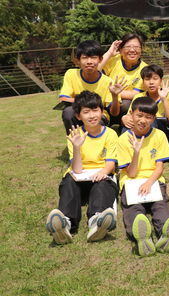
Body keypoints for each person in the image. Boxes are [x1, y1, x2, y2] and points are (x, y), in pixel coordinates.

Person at [46, 91, 118, 244]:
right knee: (69, 182)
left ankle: (96, 222)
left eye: (95, 110)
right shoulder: (75, 135)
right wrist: (77, 147)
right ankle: (65, 223)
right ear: (78, 116)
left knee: (103, 184)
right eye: (86, 112)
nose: (92, 115)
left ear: (102, 111)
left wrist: (103, 172)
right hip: (79, 177)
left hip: (100, 175)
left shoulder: (110, 134)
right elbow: (77, 169)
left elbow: (110, 163)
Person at [117, 96, 169, 257]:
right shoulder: (123, 139)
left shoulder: (159, 135)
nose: (143, 120)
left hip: (153, 181)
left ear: (153, 119)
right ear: (131, 114)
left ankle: (165, 233)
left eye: (148, 117)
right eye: (139, 115)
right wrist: (136, 152)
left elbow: (160, 167)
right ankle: (141, 237)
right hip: (130, 183)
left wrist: (149, 182)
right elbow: (130, 173)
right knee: (133, 209)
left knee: (160, 205)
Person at [59, 39, 126, 133]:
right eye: (85, 58)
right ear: (78, 60)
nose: (89, 61)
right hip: (79, 113)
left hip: (100, 116)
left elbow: (114, 113)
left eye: (93, 57)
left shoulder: (108, 82)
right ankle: (74, 142)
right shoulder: (71, 74)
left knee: (97, 119)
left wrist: (115, 96)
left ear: (100, 59)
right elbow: (63, 98)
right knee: (68, 112)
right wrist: (86, 105)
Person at [122, 64, 169, 144]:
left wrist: (164, 99)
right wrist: (124, 118)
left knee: (151, 121)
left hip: (163, 131)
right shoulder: (139, 97)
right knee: (127, 128)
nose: (151, 82)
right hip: (142, 128)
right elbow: (130, 116)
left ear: (161, 81)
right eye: (147, 79)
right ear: (143, 82)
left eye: (155, 79)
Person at [98, 33, 148, 120]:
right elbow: (95, 70)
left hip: (122, 104)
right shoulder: (113, 60)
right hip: (105, 100)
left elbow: (137, 94)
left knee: (126, 104)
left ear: (141, 50)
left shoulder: (145, 69)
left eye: (136, 47)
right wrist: (109, 53)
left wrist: (114, 93)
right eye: (128, 47)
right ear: (120, 49)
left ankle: (123, 124)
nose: (132, 50)